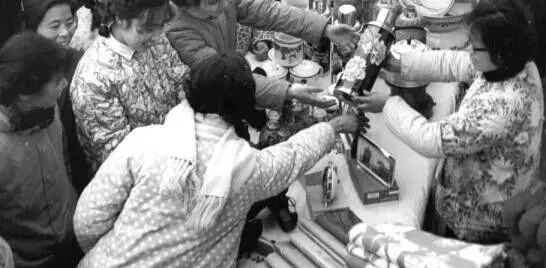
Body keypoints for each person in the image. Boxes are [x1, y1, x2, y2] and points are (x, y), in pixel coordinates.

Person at [73, 52, 361, 268]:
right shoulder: (249, 169)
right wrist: (334, 126)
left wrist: (119, 249)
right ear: (246, 105)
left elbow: (87, 221)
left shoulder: (144, 141)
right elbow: (294, 155)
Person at [356, 0, 543, 244]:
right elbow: (456, 63)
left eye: (475, 47)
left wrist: (388, 104)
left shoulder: (500, 106)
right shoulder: (518, 64)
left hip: (482, 220)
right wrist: (400, 64)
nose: (469, 52)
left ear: (499, 53)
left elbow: (432, 140)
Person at [167, 0, 357, 103]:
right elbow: (222, 76)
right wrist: (288, 91)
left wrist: (324, 29)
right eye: (214, 2)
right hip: (211, 99)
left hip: (235, 82)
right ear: (189, 2)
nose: (224, 3)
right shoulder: (179, 32)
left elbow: (267, 11)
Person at [70, 0, 189, 173]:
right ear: (120, 20)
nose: (157, 36)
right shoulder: (94, 77)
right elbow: (116, 153)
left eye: (161, 26)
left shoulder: (156, 41)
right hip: (139, 174)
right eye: (148, 30)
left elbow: (181, 79)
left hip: (178, 150)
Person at [0, 33, 81, 268]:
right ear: (25, 92)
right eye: (56, 81)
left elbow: (64, 158)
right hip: (29, 259)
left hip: (71, 233)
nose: (64, 84)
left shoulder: (50, 109)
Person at [21, 0, 89, 192]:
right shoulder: (20, 73)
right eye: (54, 26)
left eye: (69, 23)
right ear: (31, 28)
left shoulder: (81, 61)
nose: (65, 32)